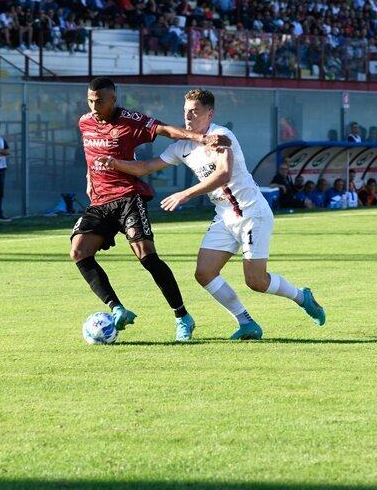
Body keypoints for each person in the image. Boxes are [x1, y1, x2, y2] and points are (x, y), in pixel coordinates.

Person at [98, 88, 325, 341]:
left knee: (256, 281)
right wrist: (115, 163)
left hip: (252, 213)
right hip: (225, 215)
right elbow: (145, 167)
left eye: (195, 112)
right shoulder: (182, 146)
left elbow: (223, 173)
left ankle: (301, 296)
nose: (188, 117)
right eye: (186, 112)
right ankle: (246, 323)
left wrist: (185, 194)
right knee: (204, 273)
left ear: (210, 113)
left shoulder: (221, 136)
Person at [70, 78, 233, 342]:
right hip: (100, 201)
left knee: (147, 256)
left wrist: (202, 138)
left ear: (113, 99)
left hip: (128, 198)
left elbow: (166, 130)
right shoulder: (85, 122)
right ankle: (117, 308)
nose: (94, 105)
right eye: (90, 100)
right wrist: (90, 179)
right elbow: (90, 154)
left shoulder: (130, 120)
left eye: (99, 100)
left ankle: (183, 317)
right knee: (79, 252)